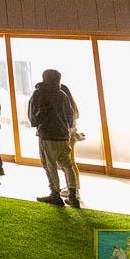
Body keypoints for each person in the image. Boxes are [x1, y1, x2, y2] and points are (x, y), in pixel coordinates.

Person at [28, 68, 78, 208]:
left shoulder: (39, 93)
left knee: (49, 165)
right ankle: (73, 196)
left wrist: (37, 123)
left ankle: (55, 194)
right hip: (63, 135)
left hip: (47, 134)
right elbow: (70, 115)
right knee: (67, 165)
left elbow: (33, 115)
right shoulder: (62, 94)